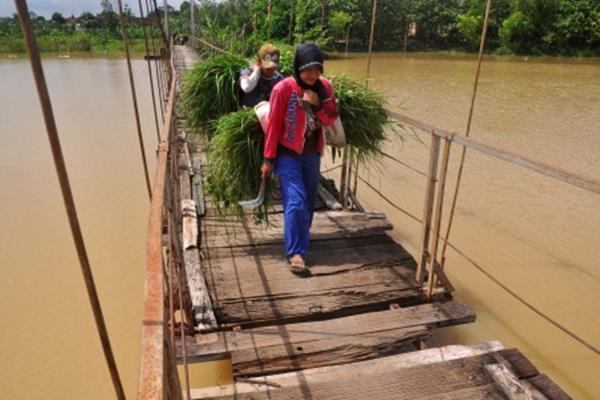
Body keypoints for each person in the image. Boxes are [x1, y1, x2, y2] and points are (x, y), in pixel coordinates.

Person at [261, 43, 338, 275]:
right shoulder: (283, 89)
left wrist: (317, 103)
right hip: (288, 155)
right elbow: (274, 126)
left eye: (317, 69)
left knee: (308, 202)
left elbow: (330, 118)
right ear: (297, 67)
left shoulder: (325, 87)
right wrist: (268, 160)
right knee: (295, 201)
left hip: (311, 154)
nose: (313, 75)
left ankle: (300, 239)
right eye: (307, 69)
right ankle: (296, 252)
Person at [239, 43, 284, 108]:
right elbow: (246, 88)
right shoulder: (248, 72)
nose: (271, 70)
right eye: (268, 68)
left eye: (273, 67)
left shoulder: (278, 79)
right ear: (260, 61)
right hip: (247, 110)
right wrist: (256, 72)